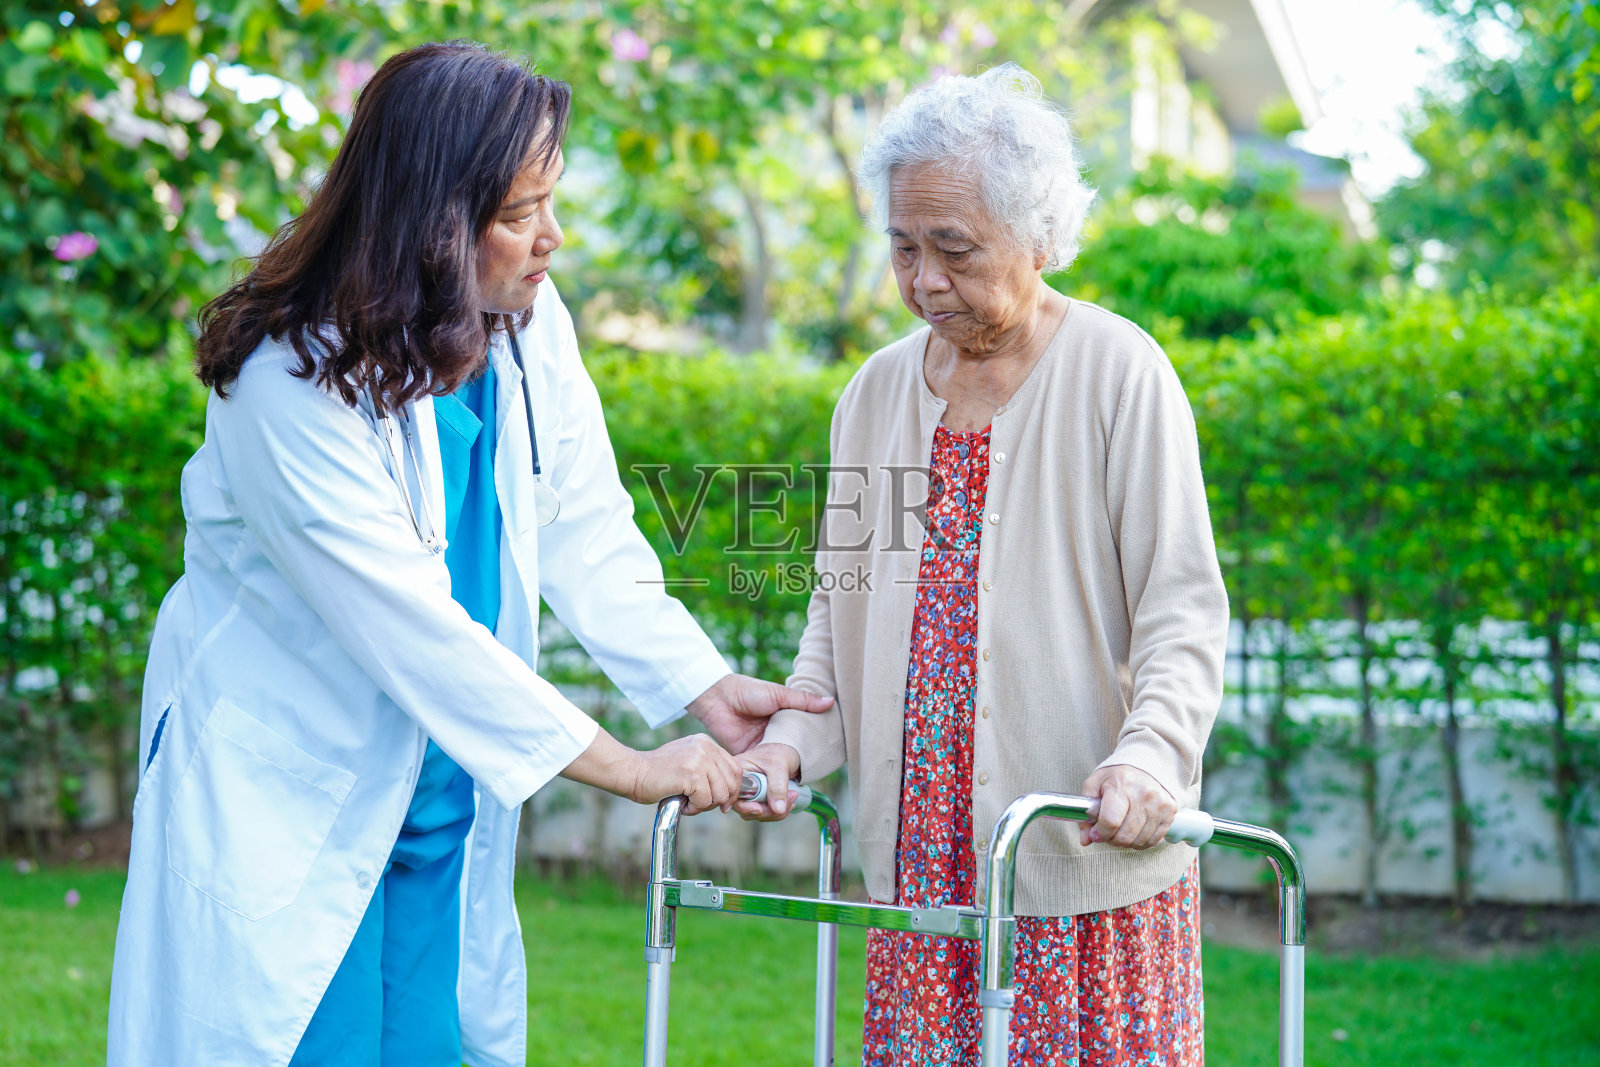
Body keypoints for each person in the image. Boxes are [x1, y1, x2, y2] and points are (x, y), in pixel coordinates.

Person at [108, 42, 829, 1067]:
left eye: (553, 200)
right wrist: (628, 765)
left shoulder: (524, 328)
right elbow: (411, 626)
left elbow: (584, 524)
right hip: (290, 799)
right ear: (432, 219)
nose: (553, 237)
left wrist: (704, 687)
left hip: (440, 798)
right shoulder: (288, 382)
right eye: (519, 212)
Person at [737, 65, 1229, 1066]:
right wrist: (785, 741)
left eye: (953, 249)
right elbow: (841, 612)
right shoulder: (872, 393)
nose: (923, 281)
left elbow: (1181, 606)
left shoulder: (1117, 371)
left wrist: (1150, 756)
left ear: (1037, 236)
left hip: (1072, 857)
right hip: (920, 869)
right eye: (903, 248)